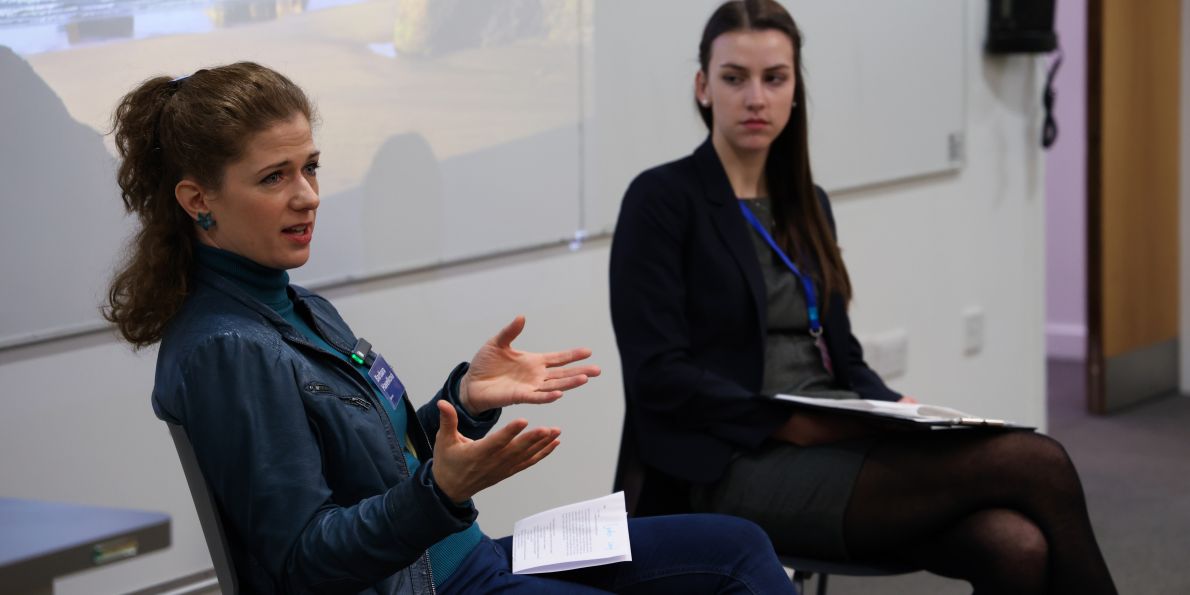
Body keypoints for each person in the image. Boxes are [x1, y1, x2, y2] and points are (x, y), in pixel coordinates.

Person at [105, 62, 796, 594]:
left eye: (311, 167)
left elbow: (382, 459)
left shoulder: (295, 305)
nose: (308, 195)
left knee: (739, 548)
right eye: (274, 176)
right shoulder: (230, 348)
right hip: (438, 581)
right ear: (199, 200)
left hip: (467, 555)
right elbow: (302, 563)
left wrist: (466, 399)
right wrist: (439, 491)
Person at [608, 2, 1118, 594]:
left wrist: (899, 410)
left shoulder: (808, 203)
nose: (755, 97)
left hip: (837, 435)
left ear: (795, 88)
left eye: (774, 78)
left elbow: (842, 355)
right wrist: (788, 421)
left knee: (1014, 544)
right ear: (703, 87)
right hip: (728, 463)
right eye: (734, 78)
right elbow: (657, 376)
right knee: (1036, 461)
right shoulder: (662, 200)